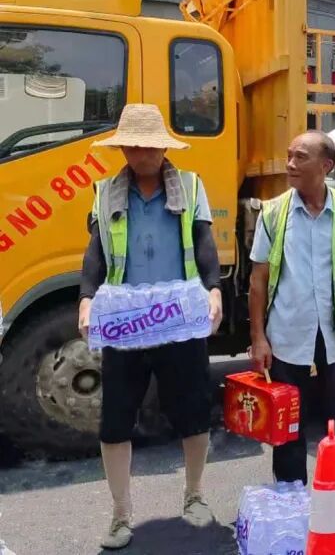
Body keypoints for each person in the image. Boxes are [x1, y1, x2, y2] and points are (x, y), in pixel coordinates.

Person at [78, 103, 224, 549]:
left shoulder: (191, 186)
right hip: (127, 324)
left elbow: (204, 245)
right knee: (115, 421)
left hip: (178, 321)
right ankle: (121, 516)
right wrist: (86, 299)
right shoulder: (105, 192)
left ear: (163, 148)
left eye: (149, 146)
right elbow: (95, 254)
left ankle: (195, 495)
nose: (141, 153)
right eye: (133, 145)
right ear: (122, 147)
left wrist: (214, 290)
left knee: (193, 411)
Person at [248, 131, 335, 527]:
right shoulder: (273, 213)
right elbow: (258, 280)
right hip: (289, 336)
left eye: (300, 157)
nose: (290, 164)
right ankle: (291, 502)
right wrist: (258, 336)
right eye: (288, 156)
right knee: (288, 428)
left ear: (326, 166)